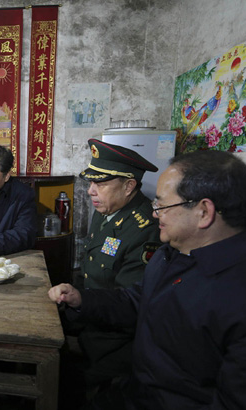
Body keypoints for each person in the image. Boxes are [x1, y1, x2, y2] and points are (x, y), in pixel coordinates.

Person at [49, 150, 246, 409]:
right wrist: (81, 300)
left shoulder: (239, 293)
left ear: (204, 211)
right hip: (136, 388)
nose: (155, 214)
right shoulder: (172, 253)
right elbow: (137, 299)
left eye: (162, 206)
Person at [65, 139, 161, 402]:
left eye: (101, 184)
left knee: (63, 382)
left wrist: (80, 301)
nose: (90, 192)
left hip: (114, 340)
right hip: (89, 320)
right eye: (91, 183)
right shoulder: (108, 210)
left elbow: (130, 305)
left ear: (129, 186)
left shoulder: (145, 229)